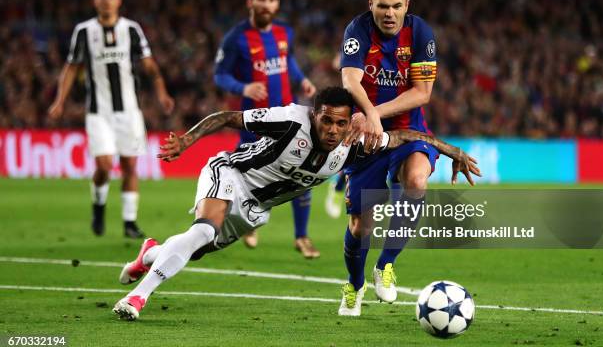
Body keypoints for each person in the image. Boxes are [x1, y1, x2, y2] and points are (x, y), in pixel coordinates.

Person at [111, 87, 480, 321]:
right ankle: (137, 298)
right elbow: (228, 117)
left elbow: (405, 136)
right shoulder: (289, 119)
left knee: (198, 249)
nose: (332, 130)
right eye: (325, 121)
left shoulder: (352, 140)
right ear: (313, 115)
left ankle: (149, 255)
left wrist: (452, 151)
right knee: (203, 229)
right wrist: (187, 141)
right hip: (230, 174)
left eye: (339, 123)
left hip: (256, 207)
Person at [338, 0, 442, 315]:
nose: (389, 13)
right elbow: (349, 79)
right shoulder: (358, 30)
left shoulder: (421, 32)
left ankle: (386, 264)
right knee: (360, 225)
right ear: (371, 5)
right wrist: (368, 116)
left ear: (406, 6)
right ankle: (354, 284)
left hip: (408, 132)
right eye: (382, 5)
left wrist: (374, 112)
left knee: (416, 181)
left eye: (397, 6)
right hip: (366, 140)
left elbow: (422, 92)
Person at [48, 0, 174, 238]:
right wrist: (59, 101)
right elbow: (71, 68)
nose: (107, 1)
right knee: (104, 165)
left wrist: (162, 93)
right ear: (95, 1)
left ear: (119, 0)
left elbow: (149, 65)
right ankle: (99, 206)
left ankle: (129, 223)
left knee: (129, 166)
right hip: (98, 112)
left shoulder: (131, 29)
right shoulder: (84, 32)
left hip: (129, 112)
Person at [214, 0, 318, 257]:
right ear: (250, 1)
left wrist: (302, 80)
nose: (266, 4)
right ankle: (248, 222)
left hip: (288, 116)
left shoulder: (285, 32)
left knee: (303, 169)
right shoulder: (236, 38)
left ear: (277, 4)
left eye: (271, 0)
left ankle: (302, 236)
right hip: (255, 119)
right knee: (245, 174)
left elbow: (288, 63)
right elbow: (220, 75)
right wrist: (243, 86)